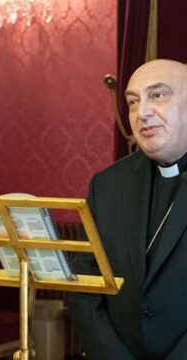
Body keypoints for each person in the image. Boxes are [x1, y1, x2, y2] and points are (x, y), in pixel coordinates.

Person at [68, 59, 187, 360]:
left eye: (158, 95)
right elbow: (84, 285)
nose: (141, 113)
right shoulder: (107, 185)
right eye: (133, 102)